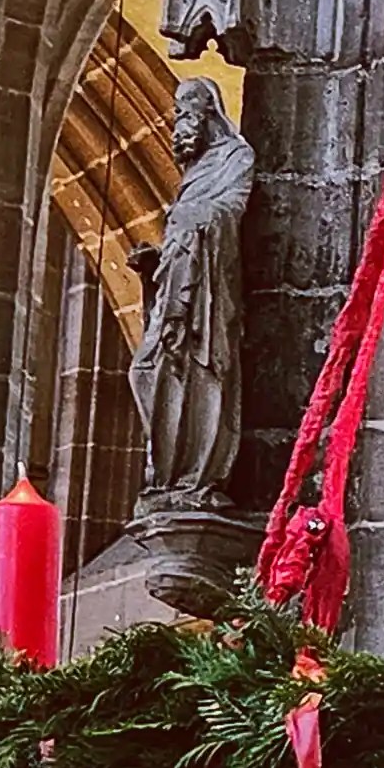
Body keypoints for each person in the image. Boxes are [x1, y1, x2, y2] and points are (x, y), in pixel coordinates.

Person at [129, 77, 253, 505]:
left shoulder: (235, 157)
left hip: (207, 293)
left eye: (184, 112)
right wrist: (154, 265)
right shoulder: (195, 169)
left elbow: (231, 209)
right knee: (145, 370)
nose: (177, 122)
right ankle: (167, 473)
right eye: (177, 113)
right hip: (178, 278)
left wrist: (192, 221)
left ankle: (196, 475)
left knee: (200, 369)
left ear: (207, 111)